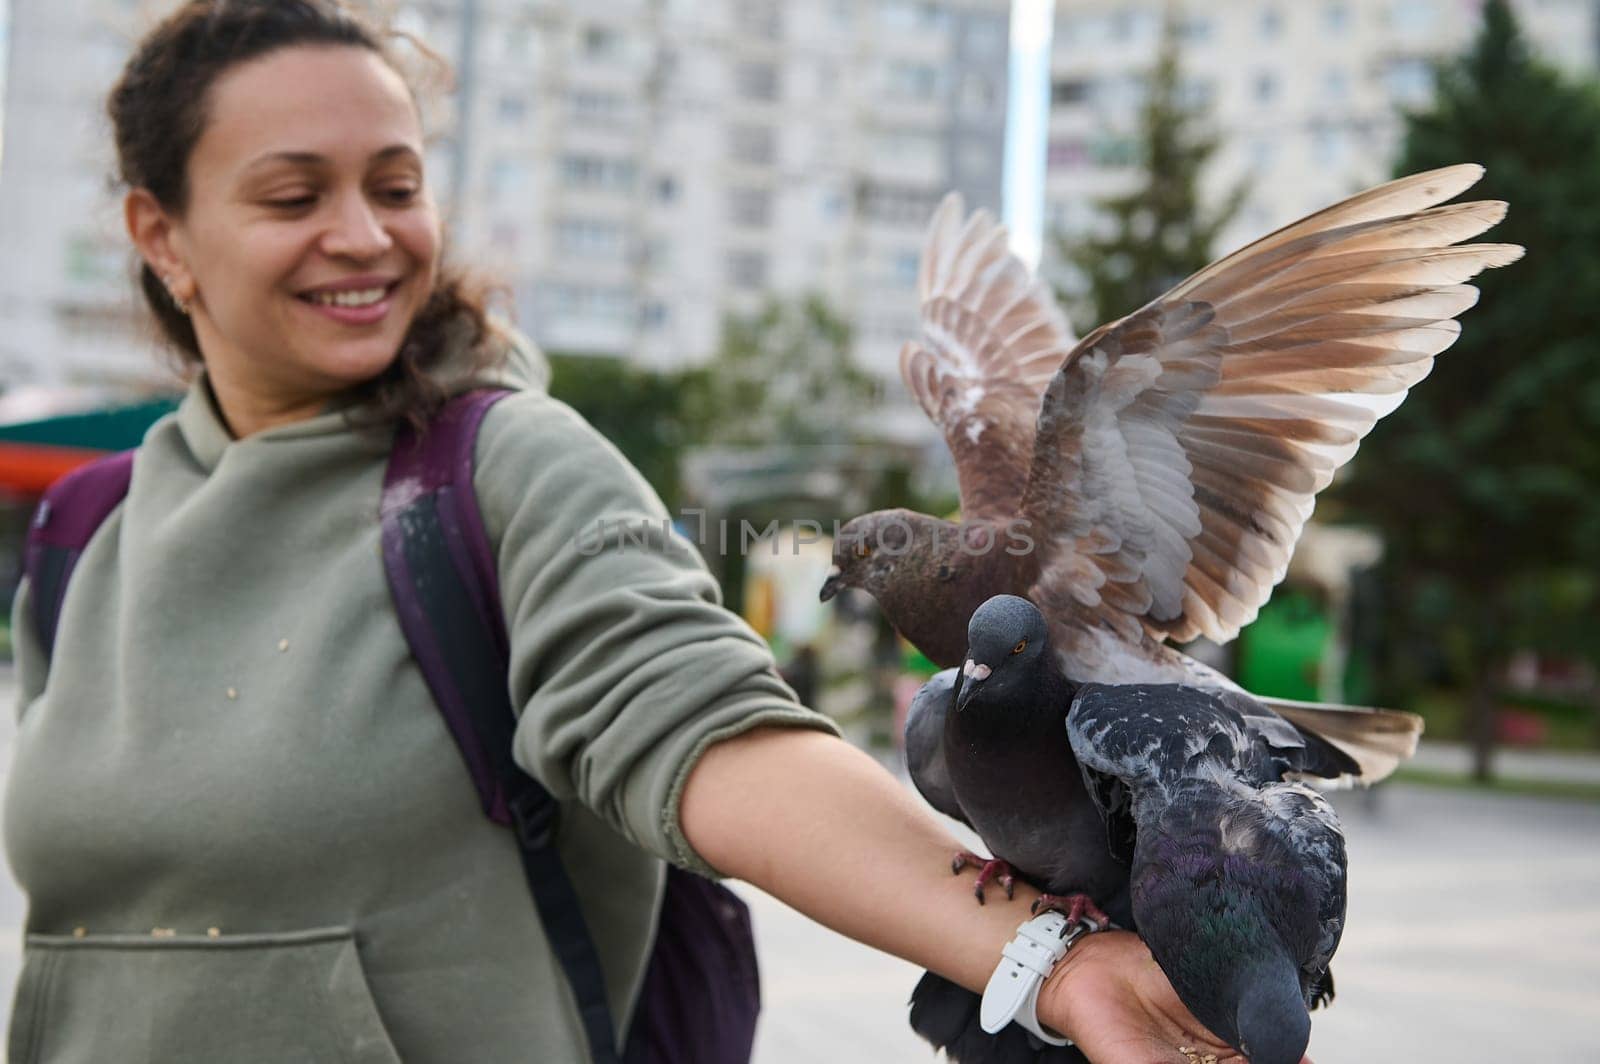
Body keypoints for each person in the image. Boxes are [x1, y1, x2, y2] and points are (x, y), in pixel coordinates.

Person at [2, 3, 1289, 1062]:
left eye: (395, 184)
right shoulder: (81, 528)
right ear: (158, 234)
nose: (364, 232)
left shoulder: (505, 466)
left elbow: (708, 730)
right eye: (294, 193)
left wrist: (1048, 961)